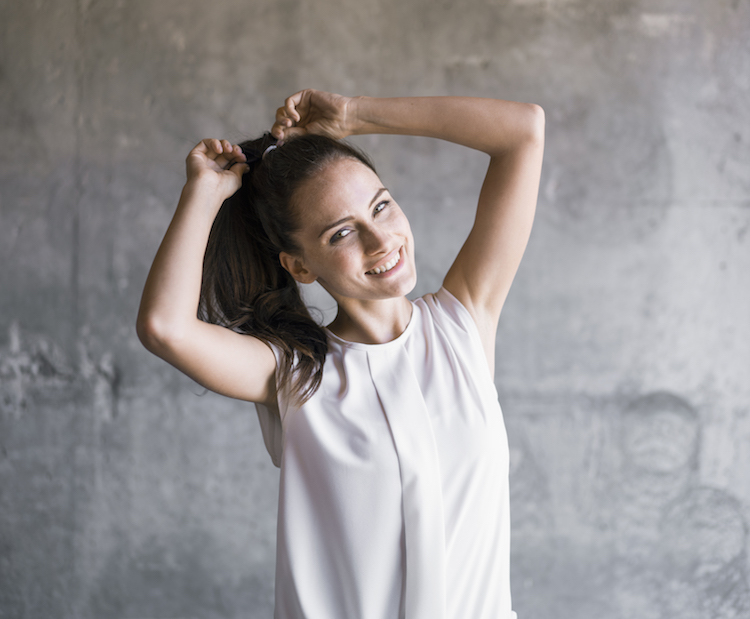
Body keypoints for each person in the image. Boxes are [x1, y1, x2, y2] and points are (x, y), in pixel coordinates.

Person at [137, 89, 545, 619]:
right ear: (300, 267)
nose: (382, 241)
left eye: (381, 205)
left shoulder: (463, 326)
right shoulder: (293, 374)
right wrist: (205, 193)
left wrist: (355, 116)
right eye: (343, 233)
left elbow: (523, 132)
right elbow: (164, 327)